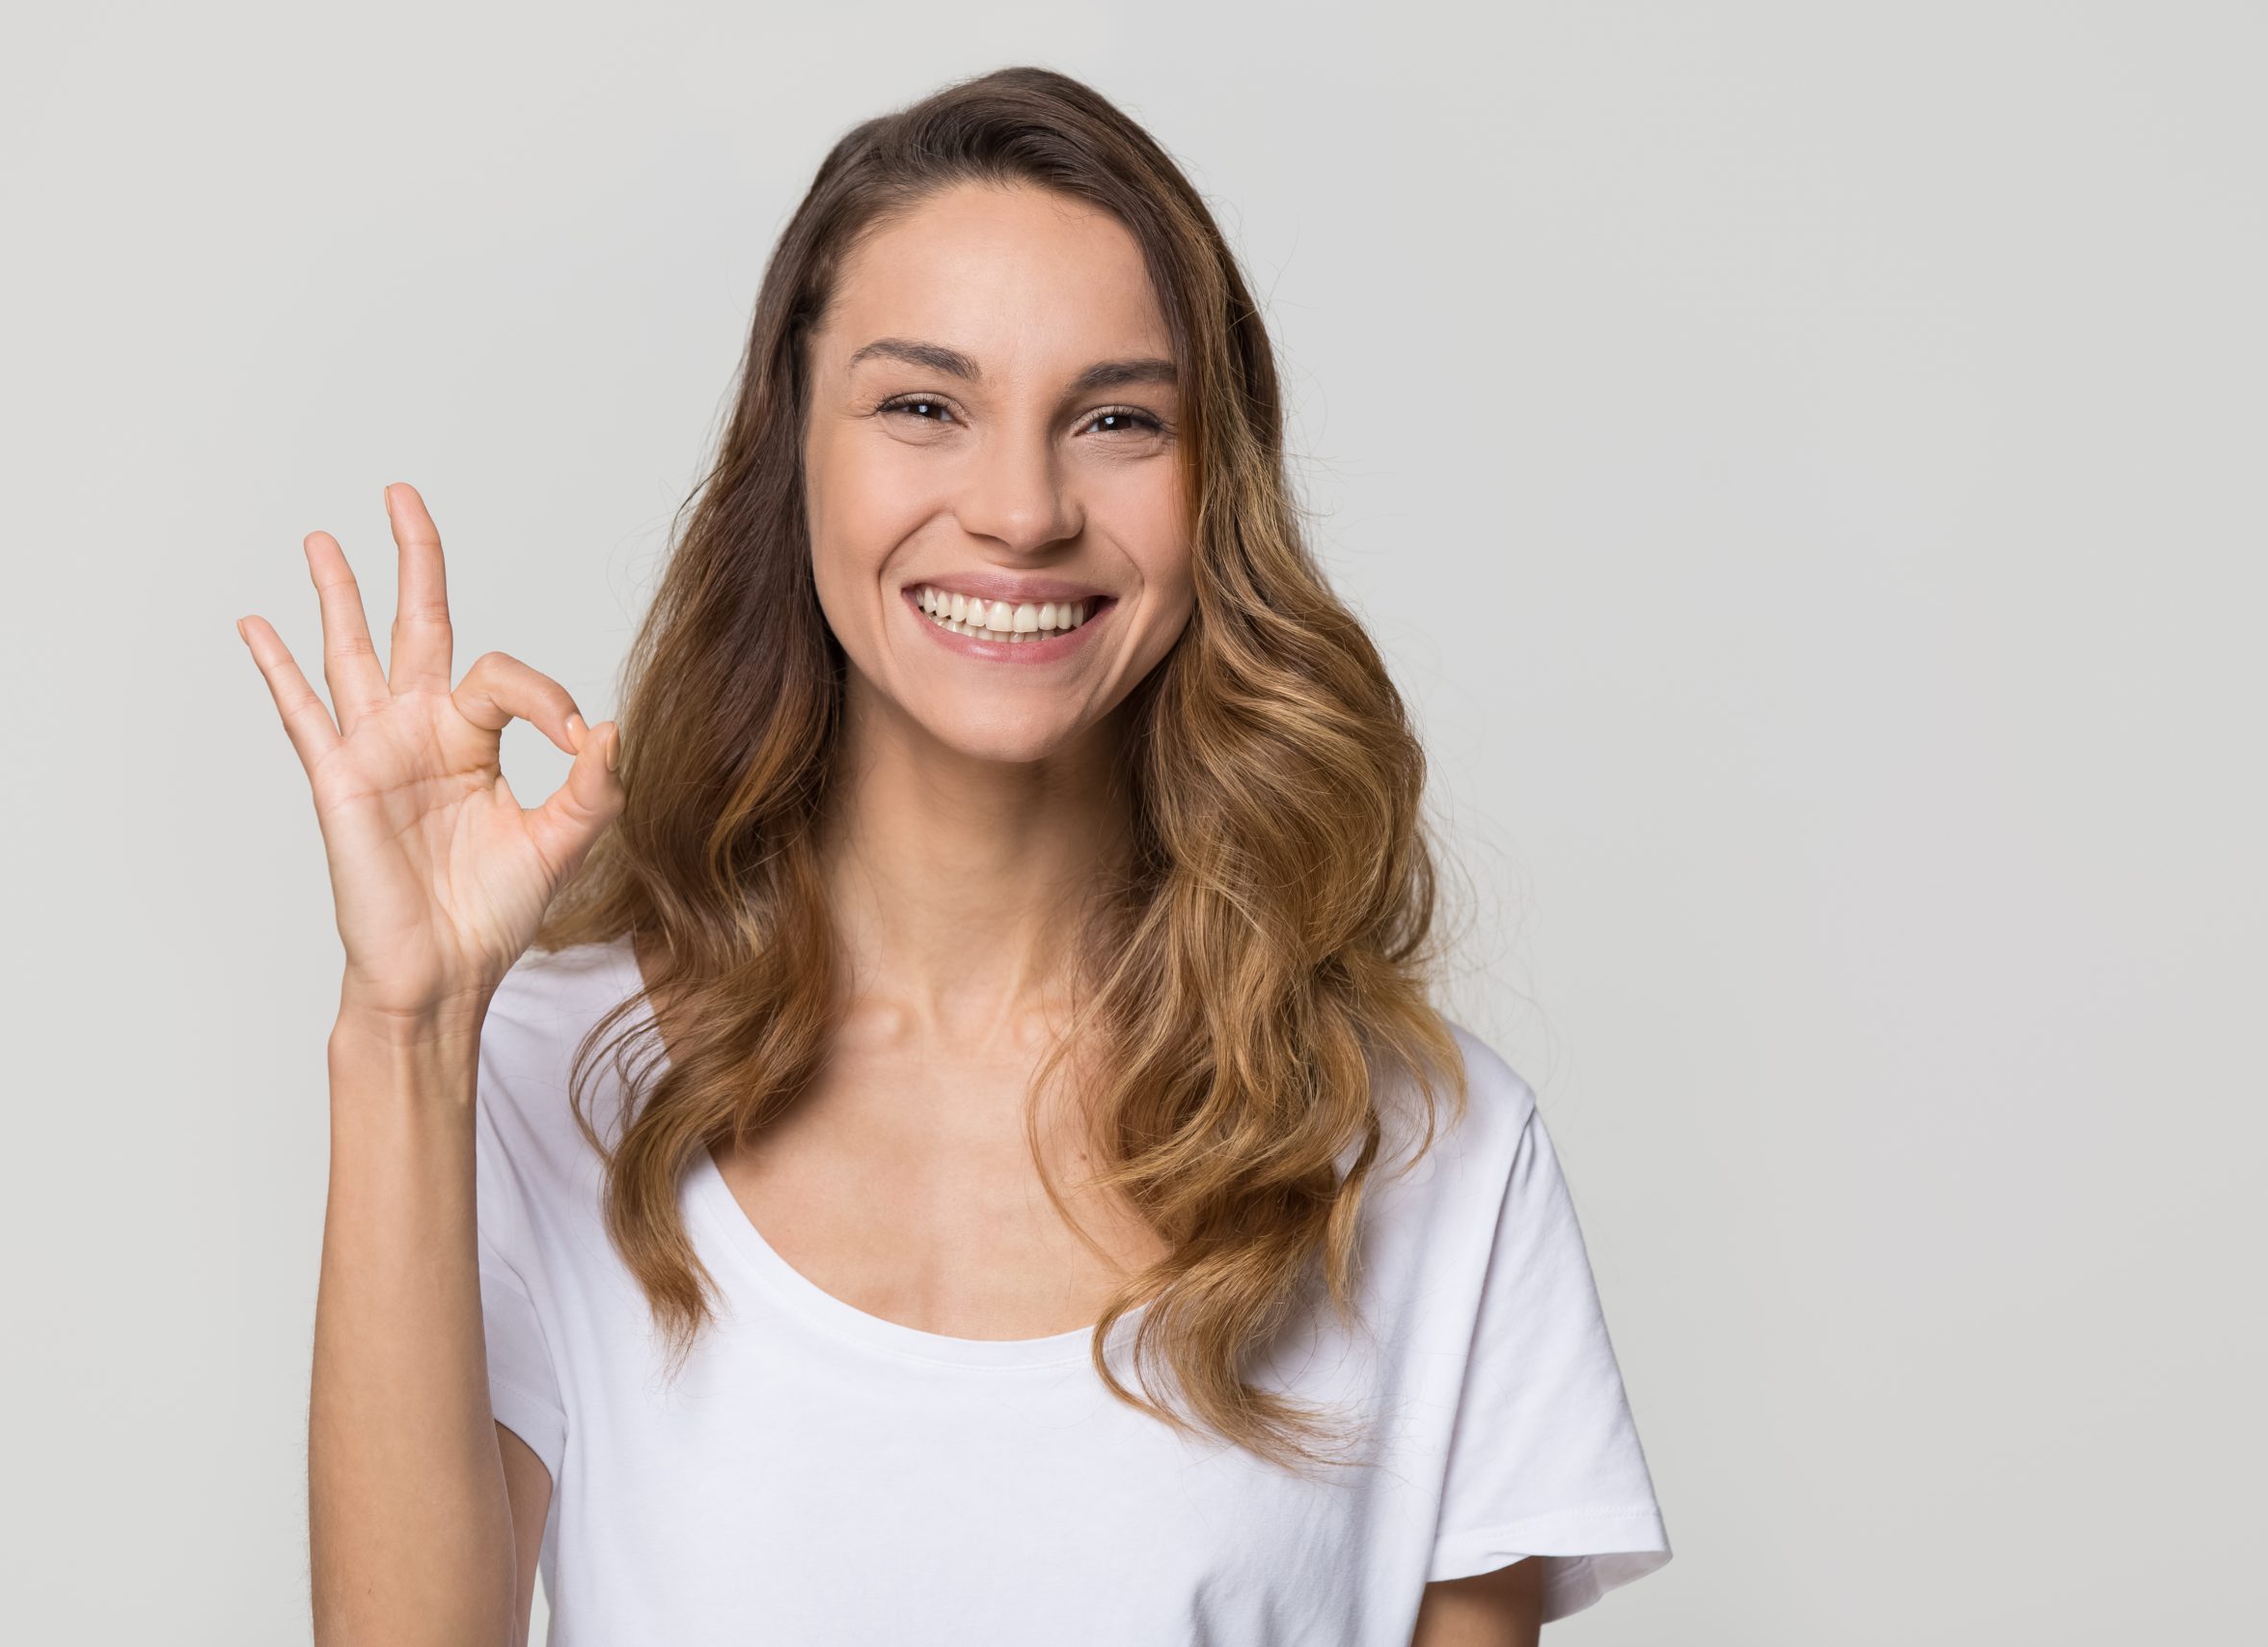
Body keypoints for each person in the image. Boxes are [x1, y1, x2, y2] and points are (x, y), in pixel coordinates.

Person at [241, 66, 1671, 1647]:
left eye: (1118, 418)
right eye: (925, 405)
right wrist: (409, 1028)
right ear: (797, 456)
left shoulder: (1425, 1155)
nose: (1020, 509)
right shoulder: (547, 1076)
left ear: (1218, 492)